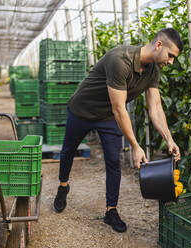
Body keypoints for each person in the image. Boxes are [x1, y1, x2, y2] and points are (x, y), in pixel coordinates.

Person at [54, 28, 182, 233]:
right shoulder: (120, 60)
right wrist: (135, 145)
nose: (171, 62)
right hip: (82, 109)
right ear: (159, 45)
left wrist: (169, 139)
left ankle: (110, 210)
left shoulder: (152, 71)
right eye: (170, 56)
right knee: (68, 151)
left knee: (113, 161)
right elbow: (119, 108)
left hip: (107, 117)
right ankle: (63, 186)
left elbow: (156, 108)